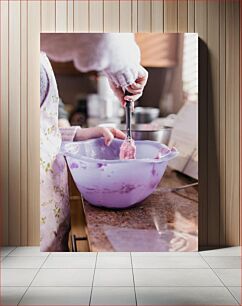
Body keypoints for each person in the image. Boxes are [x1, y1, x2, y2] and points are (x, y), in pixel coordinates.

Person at [40, 33, 148, 251]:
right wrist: (124, 68)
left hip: (49, 221)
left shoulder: (37, 52)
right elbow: (102, 38)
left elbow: (39, 128)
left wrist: (80, 135)